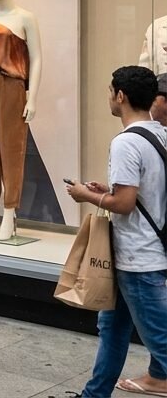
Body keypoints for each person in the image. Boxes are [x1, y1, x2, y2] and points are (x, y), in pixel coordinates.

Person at [68, 67, 167, 398]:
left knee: (161, 341)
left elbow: (123, 204)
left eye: (110, 90)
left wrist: (87, 195)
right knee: (111, 330)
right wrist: (107, 190)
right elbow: (145, 192)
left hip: (137, 259)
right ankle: (93, 395)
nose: (109, 96)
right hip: (146, 252)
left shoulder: (126, 142)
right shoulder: (160, 134)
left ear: (120, 96)